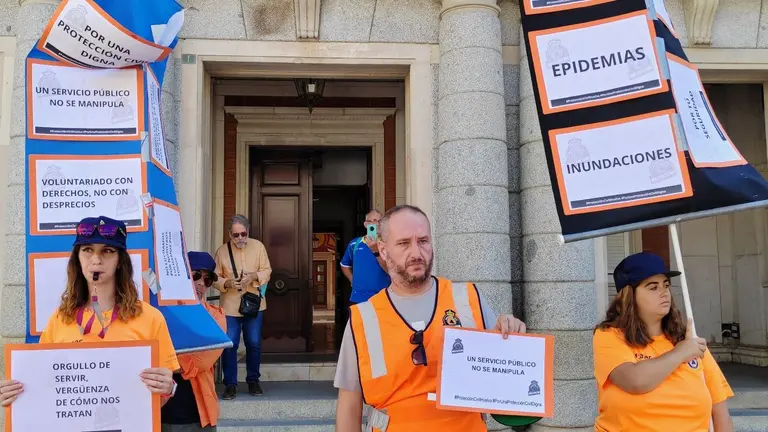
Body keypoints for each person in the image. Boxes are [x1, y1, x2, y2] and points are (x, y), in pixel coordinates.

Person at [334, 205, 527, 431]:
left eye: (423, 241)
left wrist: (512, 339)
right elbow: (349, 405)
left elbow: (506, 387)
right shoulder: (363, 317)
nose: (416, 253)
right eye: (404, 243)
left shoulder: (468, 299)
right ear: (384, 251)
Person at [0, 216, 179, 407]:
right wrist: (17, 395)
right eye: (87, 250)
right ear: (77, 258)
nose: (96, 260)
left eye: (107, 251)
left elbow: (156, 401)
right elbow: (46, 388)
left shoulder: (150, 318)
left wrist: (169, 389)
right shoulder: (60, 318)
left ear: (120, 261)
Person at [593, 252, 734, 432]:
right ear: (628, 295)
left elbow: (720, 411)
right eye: (653, 287)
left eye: (665, 285)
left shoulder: (687, 340)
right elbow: (634, 381)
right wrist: (681, 353)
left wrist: (686, 347)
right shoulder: (609, 335)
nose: (664, 293)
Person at [161, 251, 227, 431]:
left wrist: (164, 360)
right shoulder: (158, 313)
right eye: (196, 275)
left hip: (197, 415)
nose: (200, 283)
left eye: (207, 280)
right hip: (159, 412)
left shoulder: (215, 316)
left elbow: (200, 362)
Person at [213, 214, 272, 399]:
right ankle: (230, 384)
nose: (240, 238)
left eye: (243, 234)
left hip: (254, 304)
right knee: (230, 344)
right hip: (230, 305)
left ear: (248, 231)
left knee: (253, 343)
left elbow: (267, 270)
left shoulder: (258, 246)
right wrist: (228, 283)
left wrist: (253, 276)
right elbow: (214, 277)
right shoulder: (222, 251)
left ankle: (253, 380)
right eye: (235, 235)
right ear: (229, 234)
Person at [340, 209, 391, 305]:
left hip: (384, 297)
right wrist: (352, 280)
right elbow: (344, 264)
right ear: (365, 224)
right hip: (359, 297)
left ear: (382, 224)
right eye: (370, 221)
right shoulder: (354, 244)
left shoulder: (388, 244)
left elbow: (391, 269)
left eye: (377, 221)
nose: (374, 223)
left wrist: (376, 249)